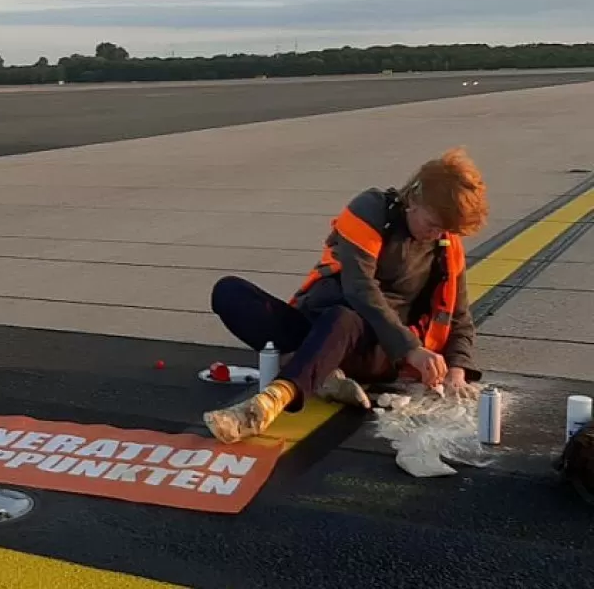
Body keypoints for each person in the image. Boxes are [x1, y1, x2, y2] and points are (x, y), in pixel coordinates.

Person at [202, 147, 489, 445]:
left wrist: (456, 368)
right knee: (230, 291)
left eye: (445, 229)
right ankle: (321, 372)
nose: (437, 234)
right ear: (414, 198)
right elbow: (359, 287)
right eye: (432, 224)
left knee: (343, 317)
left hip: (375, 348)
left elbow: (458, 315)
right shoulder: (372, 210)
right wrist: (412, 348)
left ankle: (269, 404)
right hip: (320, 324)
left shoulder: (445, 247)